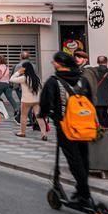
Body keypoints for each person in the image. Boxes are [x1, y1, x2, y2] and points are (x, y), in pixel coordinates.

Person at [40, 52, 93, 202]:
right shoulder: (82, 80)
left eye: (54, 62)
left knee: (73, 158)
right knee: (83, 157)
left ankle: (84, 191)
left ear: (58, 64)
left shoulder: (53, 81)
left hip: (65, 125)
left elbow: (45, 103)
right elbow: (90, 100)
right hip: (84, 124)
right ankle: (82, 189)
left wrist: (44, 114)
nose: (53, 64)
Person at [12, 61, 47, 139]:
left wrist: (18, 72)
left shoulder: (24, 78)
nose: (21, 68)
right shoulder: (37, 78)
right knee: (39, 117)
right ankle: (44, 134)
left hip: (26, 100)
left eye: (22, 67)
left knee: (23, 116)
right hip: (36, 100)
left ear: (25, 69)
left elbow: (12, 79)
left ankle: (22, 132)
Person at [0, 55, 20, 120]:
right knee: (10, 98)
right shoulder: (6, 67)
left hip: (0, 84)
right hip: (7, 84)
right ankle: (16, 110)